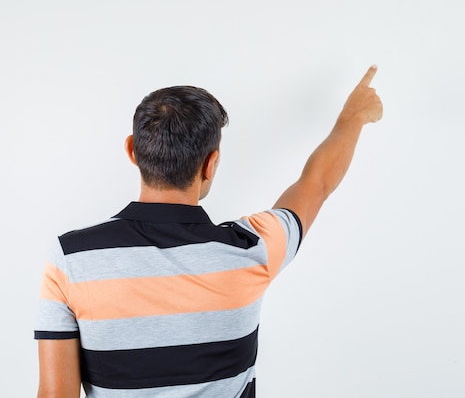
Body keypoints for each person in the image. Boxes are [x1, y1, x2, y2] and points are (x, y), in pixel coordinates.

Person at [34, 65, 383, 398]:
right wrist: (353, 117)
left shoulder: (71, 259)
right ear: (211, 163)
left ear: (132, 151)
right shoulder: (252, 249)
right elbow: (316, 183)